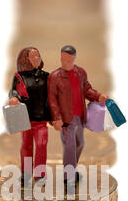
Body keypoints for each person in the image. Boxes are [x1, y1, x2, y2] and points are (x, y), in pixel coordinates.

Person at [48, 45, 109, 182]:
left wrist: (98, 96)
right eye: (62, 60)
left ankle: (71, 169)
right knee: (69, 146)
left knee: (80, 144)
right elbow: (52, 100)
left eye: (68, 60)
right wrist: (56, 118)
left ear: (74, 59)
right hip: (65, 118)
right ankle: (68, 176)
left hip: (80, 116)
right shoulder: (55, 76)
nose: (65, 63)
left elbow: (87, 90)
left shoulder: (81, 73)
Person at [8, 47, 51, 183]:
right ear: (25, 60)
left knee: (41, 145)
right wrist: (14, 98)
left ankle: (40, 174)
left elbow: (51, 98)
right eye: (33, 56)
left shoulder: (46, 76)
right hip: (25, 119)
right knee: (26, 146)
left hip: (41, 120)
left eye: (38, 56)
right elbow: (13, 91)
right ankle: (26, 173)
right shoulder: (19, 76)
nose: (36, 59)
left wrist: (54, 117)